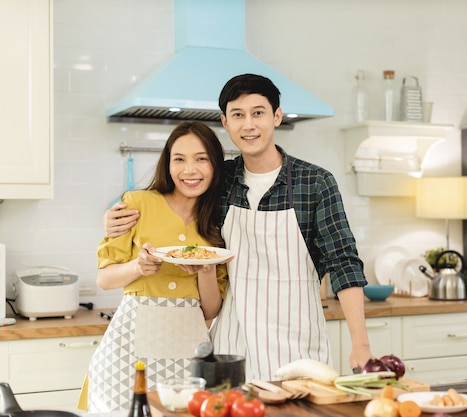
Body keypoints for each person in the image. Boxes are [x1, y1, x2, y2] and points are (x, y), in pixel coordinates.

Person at [104, 74, 374, 381]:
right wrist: (115, 217)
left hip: (298, 349)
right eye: (238, 115)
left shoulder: (315, 183)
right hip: (233, 349)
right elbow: (172, 201)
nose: (249, 125)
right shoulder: (221, 179)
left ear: (276, 116)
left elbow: (343, 263)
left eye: (258, 113)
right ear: (225, 122)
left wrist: (360, 343)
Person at [83, 121, 230, 412]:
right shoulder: (136, 204)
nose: (190, 170)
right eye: (179, 159)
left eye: (201, 159)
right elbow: (106, 279)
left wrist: (206, 269)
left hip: (189, 347)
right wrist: (139, 267)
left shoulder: (218, 221)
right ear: (168, 164)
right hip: (128, 348)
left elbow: (211, 311)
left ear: (215, 165)